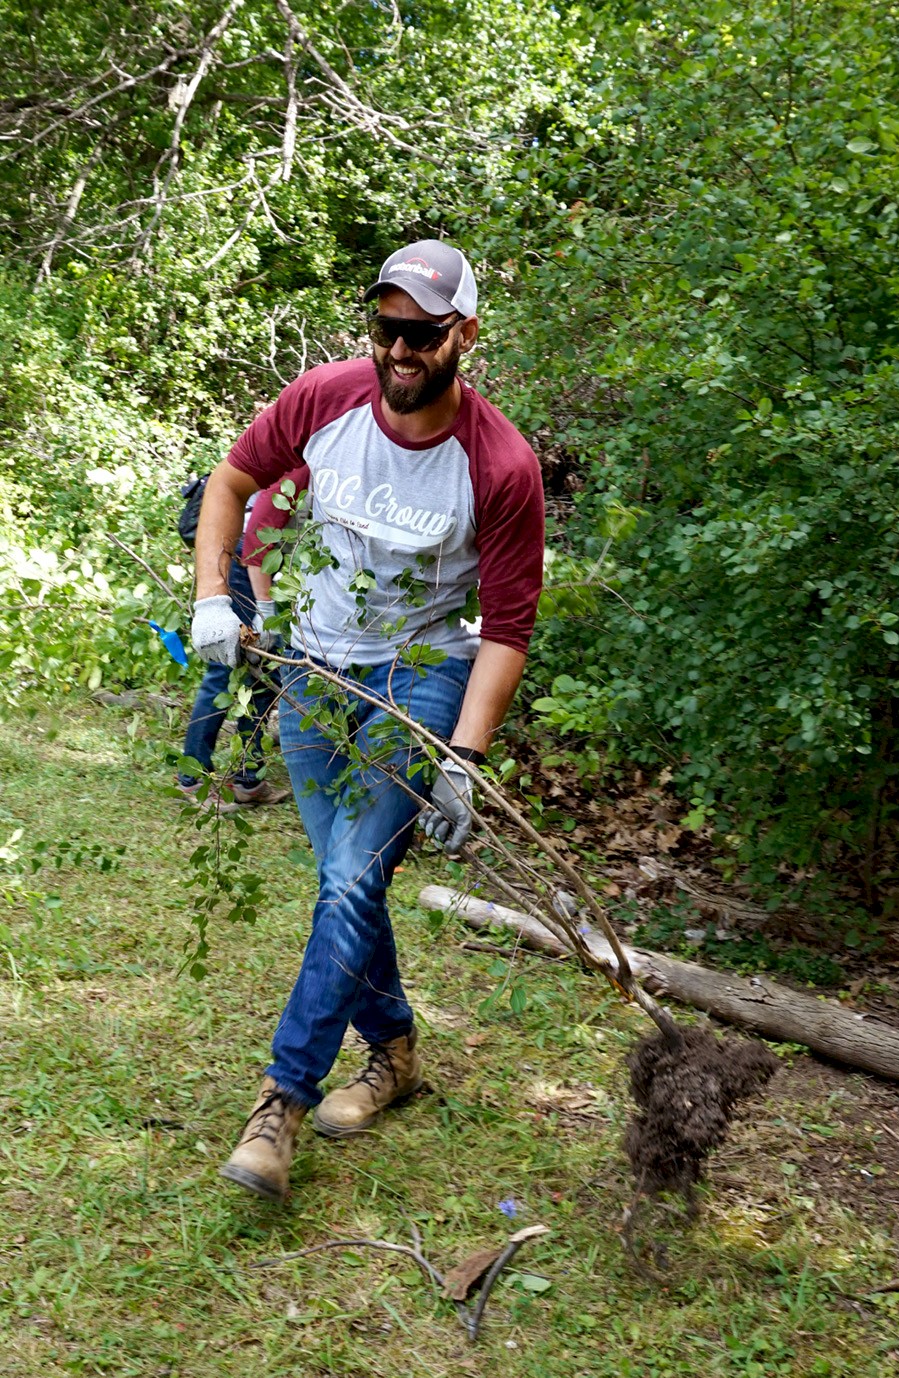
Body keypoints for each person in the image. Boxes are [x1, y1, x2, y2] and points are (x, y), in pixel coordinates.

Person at [190, 239, 545, 1201]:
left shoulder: (500, 464)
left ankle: (280, 1105)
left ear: (462, 334)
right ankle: (392, 1051)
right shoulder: (325, 397)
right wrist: (217, 598)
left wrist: (463, 758)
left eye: (422, 333)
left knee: (351, 874)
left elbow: (507, 628)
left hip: (419, 675)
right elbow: (231, 482)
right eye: (386, 327)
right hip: (310, 669)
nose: (399, 349)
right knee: (346, 881)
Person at [176, 493, 290, 813]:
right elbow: (258, 531)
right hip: (250, 557)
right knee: (226, 666)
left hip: (273, 563)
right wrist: (265, 607)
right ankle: (192, 777)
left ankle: (248, 781)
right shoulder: (303, 454)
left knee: (267, 672)